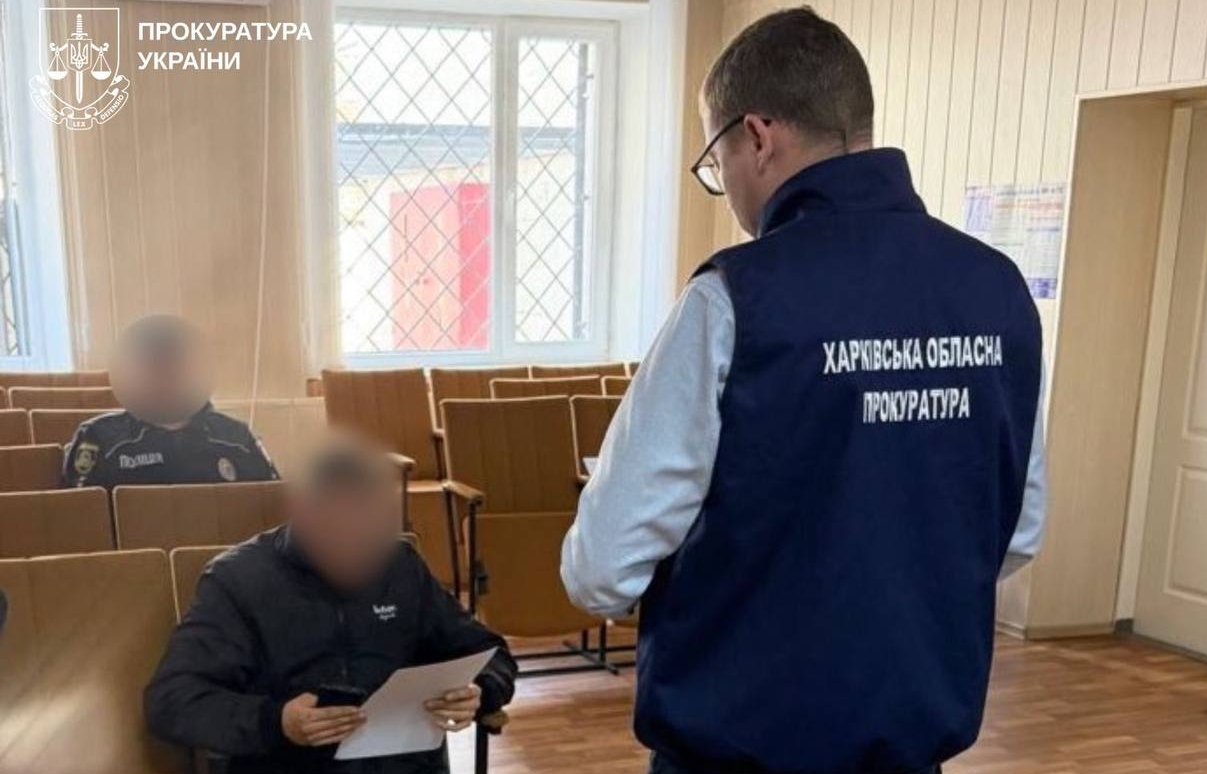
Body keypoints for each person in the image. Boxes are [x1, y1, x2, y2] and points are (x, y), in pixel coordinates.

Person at [561, 8, 1046, 774]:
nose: (722, 185)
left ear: (756, 136)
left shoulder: (734, 299)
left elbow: (601, 565)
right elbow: (1016, 530)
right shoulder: (997, 290)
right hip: (910, 741)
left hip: (742, 744)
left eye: (714, 160)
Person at [144, 435, 517, 774]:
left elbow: (490, 653)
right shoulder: (237, 580)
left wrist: (478, 691)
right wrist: (276, 721)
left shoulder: (399, 566)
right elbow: (172, 700)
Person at [62, 314, 278, 489]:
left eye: (175, 366)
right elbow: (82, 514)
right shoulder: (99, 437)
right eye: (155, 367)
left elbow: (272, 508)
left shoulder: (237, 438)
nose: (165, 376)